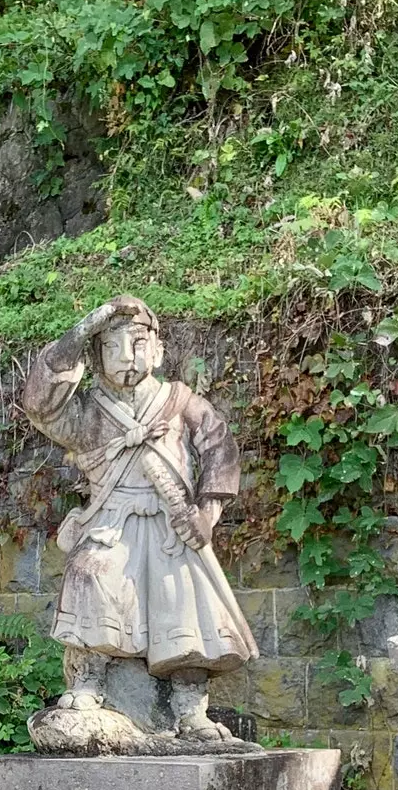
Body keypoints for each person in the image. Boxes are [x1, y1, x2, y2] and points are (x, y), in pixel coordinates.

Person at [21, 295, 258, 741]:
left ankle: (189, 710)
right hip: (111, 520)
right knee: (91, 575)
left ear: (159, 349)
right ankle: (88, 682)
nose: (128, 357)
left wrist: (208, 512)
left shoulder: (180, 401)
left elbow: (219, 448)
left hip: (172, 525)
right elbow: (40, 405)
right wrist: (80, 332)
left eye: (138, 343)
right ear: (95, 357)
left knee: (185, 605)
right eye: (112, 346)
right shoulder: (88, 412)